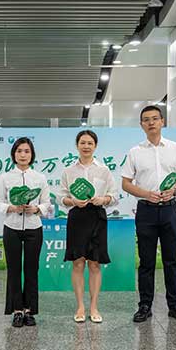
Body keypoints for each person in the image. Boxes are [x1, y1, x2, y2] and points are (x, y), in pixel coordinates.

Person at [121, 105, 176, 324]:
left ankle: (175, 306)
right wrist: (146, 194)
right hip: (146, 211)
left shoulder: (175, 148)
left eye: (155, 118)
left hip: (170, 209)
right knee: (146, 261)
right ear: (141, 125)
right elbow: (125, 183)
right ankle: (145, 306)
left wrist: (175, 190)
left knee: (171, 260)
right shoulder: (135, 152)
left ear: (162, 122)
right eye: (146, 120)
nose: (151, 122)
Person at [59, 130, 118, 324]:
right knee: (78, 263)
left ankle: (93, 306)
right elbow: (61, 198)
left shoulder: (104, 170)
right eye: (82, 143)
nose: (86, 146)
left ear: (95, 146)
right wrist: (73, 201)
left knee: (94, 263)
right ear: (77, 145)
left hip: (97, 217)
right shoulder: (68, 171)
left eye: (90, 143)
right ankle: (80, 307)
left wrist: (104, 199)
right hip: (77, 217)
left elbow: (114, 195)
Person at [0, 137, 51, 327]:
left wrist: (36, 209)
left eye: (27, 151)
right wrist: (11, 207)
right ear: (14, 154)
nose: (23, 155)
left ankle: (29, 310)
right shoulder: (5, 177)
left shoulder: (40, 178)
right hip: (11, 227)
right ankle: (17, 310)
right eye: (19, 151)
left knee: (31, 270)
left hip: (34, 228)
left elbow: (47, 203)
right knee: (13, 270)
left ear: (32, 154)